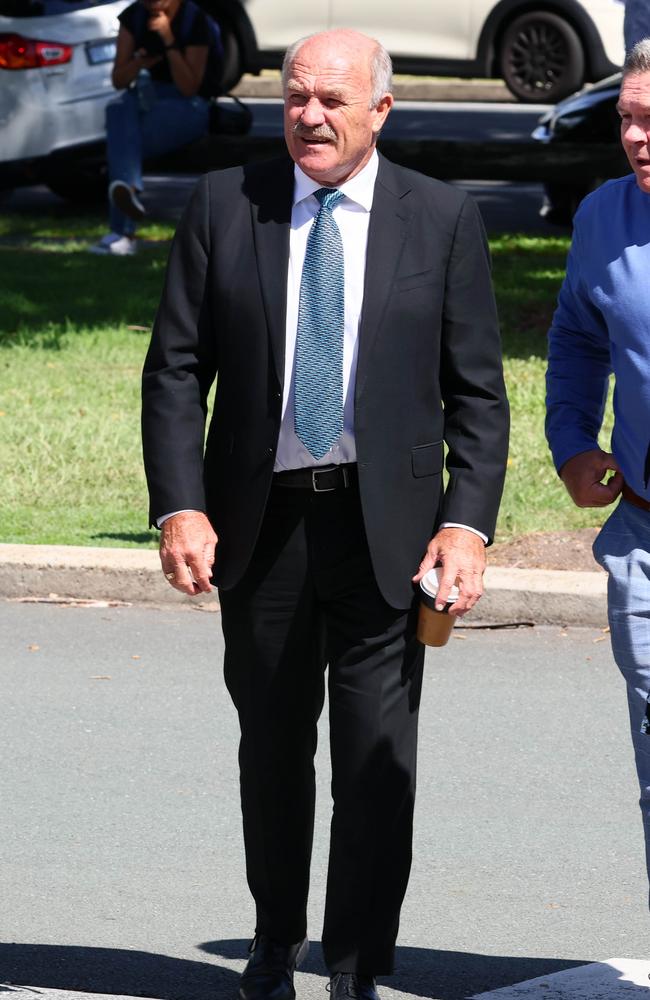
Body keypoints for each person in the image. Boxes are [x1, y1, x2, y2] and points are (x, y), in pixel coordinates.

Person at [142, 28, 509, 1000]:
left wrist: (464, 523)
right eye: (295, 96)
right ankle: (274, 940)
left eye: (331, 100)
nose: (308, 114)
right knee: (270, 746)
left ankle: (351, 965)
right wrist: (180, 504)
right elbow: (176, 369)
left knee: (375, 758)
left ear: (379, 111)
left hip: (386, 533)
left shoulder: (438, 217)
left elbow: (477, 392)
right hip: (261, 535)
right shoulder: (227, 204)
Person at [546, 38, 650, 917]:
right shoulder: (603, 218)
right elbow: (578, 340)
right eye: (627, 118)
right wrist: (574, 441)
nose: (637, 137)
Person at [90, 0, 213, 256]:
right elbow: (118, 80)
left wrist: (168, 39)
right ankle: (128, 194)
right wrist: (139, 63)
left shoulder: (195, 20)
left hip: (188, 106)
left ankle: (122, 231)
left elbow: (189, 87)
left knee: (122, 141)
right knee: (118, 108)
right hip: (145, 101)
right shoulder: (133, 17)